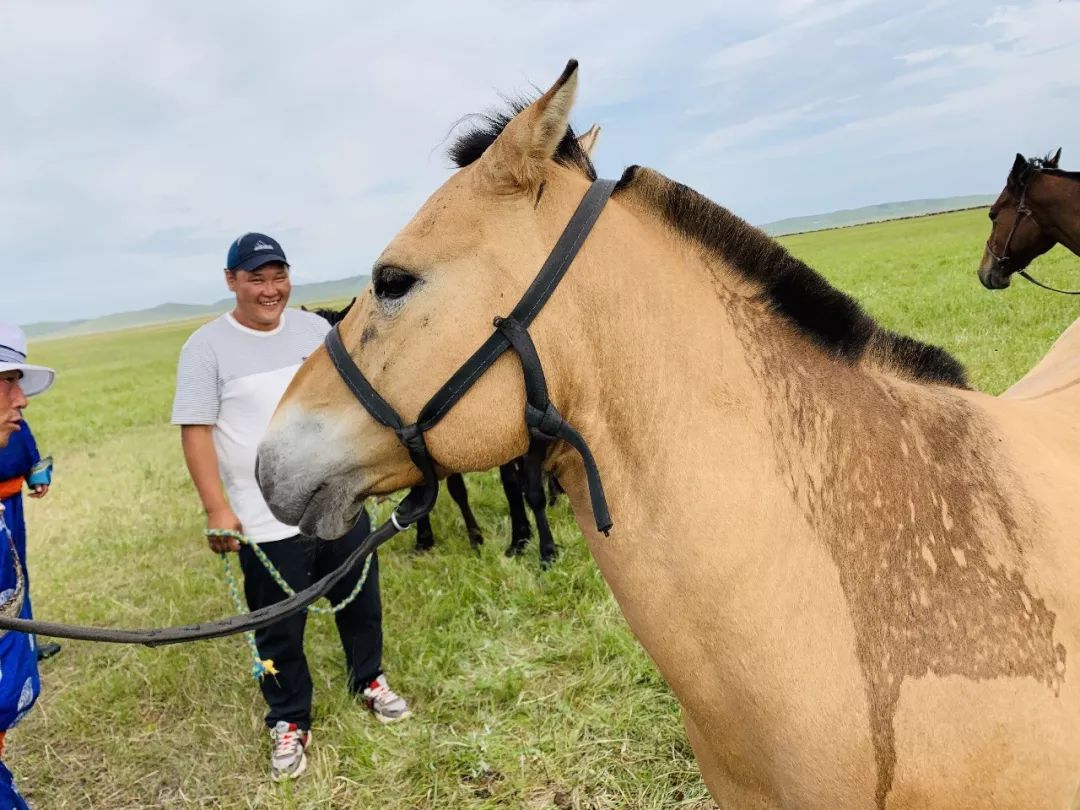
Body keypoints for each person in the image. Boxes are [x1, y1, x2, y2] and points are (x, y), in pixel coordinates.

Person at [170, 233, 409, 783]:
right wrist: (216, 508)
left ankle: (368, 679)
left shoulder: (315, 330)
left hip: (338, 501)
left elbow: (354, 403)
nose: (270, 289)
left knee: (360, 602)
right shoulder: (205, 348)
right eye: (256, 278)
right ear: (231, 281)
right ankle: (289, 716)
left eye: (278, 276)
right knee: (278, 626)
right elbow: (197, 432)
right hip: (263, 514)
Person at [0, 321, 56, 809]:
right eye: (7, 382)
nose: (22, 399)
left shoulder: (14, 430)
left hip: (8, 505)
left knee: (13, 591)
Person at [0, 420, 61, 662]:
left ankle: (26, 646)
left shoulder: (11, 416)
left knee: (17, 575)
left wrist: (35, 473)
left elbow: (22, 440)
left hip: (12, 504)